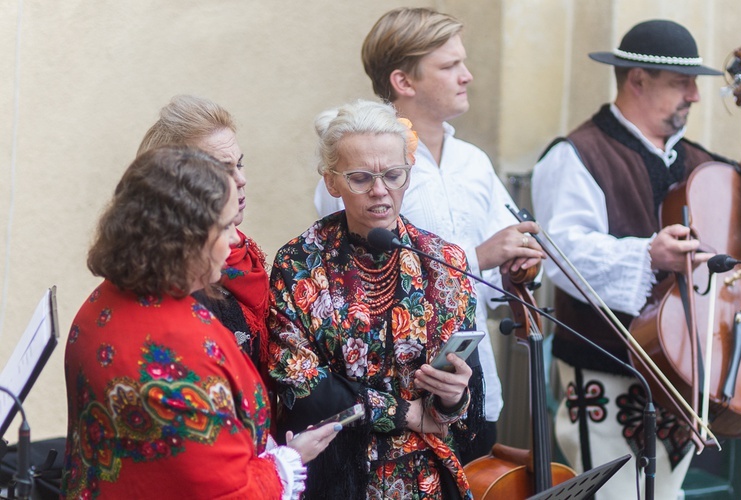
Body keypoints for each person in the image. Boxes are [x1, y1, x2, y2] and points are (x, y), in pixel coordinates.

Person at [314, 7, 545, 462]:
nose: (467, 76)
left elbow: (497, 286)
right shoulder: (362, 167)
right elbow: (351, 273)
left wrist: (519, 264)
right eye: (449, 65)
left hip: (474, 380)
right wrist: (479, 255)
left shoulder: (474, 162)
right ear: (404, 81)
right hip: (398, 396)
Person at [531, 20, 737, 499]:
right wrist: (648, 253)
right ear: (637, 79)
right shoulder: (577, 154)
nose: (695, 95)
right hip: (606, 366)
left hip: (686, 372)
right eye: (680, 83)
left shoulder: (701, 161)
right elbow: (562, 253)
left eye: (696, 83)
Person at [61, 146, 339, 499]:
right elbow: (227, 493)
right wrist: (290, 459)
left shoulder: (105, 300)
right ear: (185, 241)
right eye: (224, 228)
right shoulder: (176, 352)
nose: (235, 239)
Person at [269, 99, 483, 498]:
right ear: (332, 181)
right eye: (361, 178)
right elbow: (298, 382)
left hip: (427, 479)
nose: (380, 191)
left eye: (393, 174)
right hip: (336, 476)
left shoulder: (444, 262)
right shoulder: (298, 263)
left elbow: (459, 389)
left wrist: (454, 397)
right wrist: (403, 413)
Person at [138, 95, 272, 382]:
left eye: (240, 163)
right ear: (176, 186)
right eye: (223, 170)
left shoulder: (242, 251)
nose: (240, 179)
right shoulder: (177, 279)